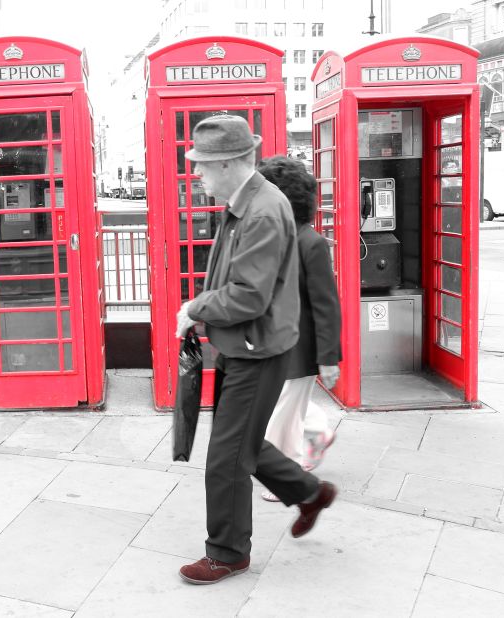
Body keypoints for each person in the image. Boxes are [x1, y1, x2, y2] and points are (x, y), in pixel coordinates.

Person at [174, 115, 337, 585]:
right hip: (244, 343)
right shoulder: (247, 200)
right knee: (242, 441)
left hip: (256, 348)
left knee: (225, 458)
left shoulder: (263, 210)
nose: (198, 175)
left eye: (203, 167)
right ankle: (309, 493)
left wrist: (195, 307)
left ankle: (227, 552)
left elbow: (248, 294)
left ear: (227, 164)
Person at [256, 157, 342, 502]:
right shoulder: (278, 237)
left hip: (302, 348)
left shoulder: (312, 243)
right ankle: (319, 432)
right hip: (275, 343)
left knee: (282, 415)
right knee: (286, 404)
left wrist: (329, 357)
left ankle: (287, 475)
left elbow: (326, 304)